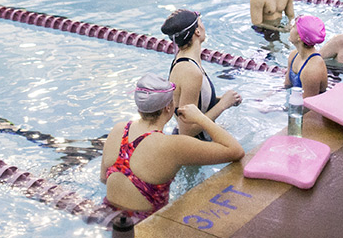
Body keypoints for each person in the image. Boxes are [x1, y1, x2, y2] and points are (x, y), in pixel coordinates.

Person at [100, 73, 244, 219]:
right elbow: (235, 151)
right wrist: (199, 117)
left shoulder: (119, 129)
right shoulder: (172, 145)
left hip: (106, 215)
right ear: (168, 108)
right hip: (144, 224)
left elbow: (103, 178)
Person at [163, 9, 243, 140]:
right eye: (201, 22)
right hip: (195, 144)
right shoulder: (190, 71)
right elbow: (186, 131)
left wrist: (223, 100)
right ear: (197, 31)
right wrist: (222, 105)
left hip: (199, 139)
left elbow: (194, 101)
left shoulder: (185, 60)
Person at [284, 15, 328, 99]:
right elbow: (287, 86)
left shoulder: (312, 69)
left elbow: (307, 104)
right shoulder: (293, 55)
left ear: (299, 37)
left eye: (294, 27)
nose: (291, 27)